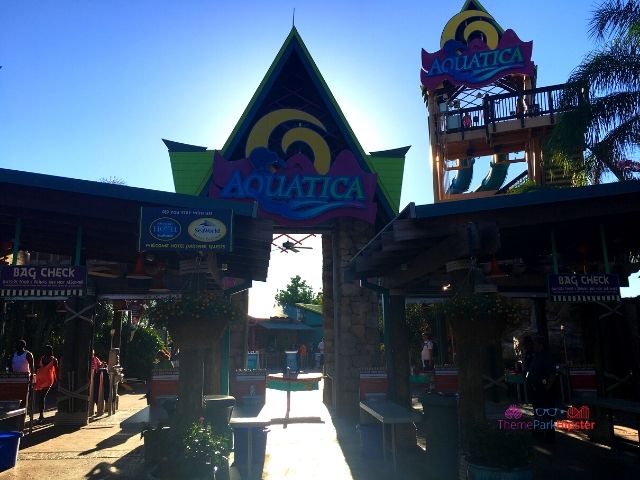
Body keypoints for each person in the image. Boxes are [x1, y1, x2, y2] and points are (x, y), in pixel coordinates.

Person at [526, 336, 557, 443]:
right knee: (538, 412)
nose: (534, 346)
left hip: (544, 389)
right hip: (536, 389)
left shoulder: (547, 357)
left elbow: (552, 374)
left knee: (547, 412)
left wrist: (547, 388)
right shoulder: (536, 356)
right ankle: (539, 432)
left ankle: (548, 435)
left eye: (536, 344)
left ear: (541, 345)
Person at [34, 345, 58, 423]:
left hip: (48, 380)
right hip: (39, 380)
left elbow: (56, 371)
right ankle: (40, 414)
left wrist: (57, 381)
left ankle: (41, 415)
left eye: (49, 350)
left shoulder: (54, 360)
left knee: (42, 397)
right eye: (46, 350)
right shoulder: (41, 358)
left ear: (51, 351)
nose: (47, 352)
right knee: (39, 398)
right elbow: (36, 368)